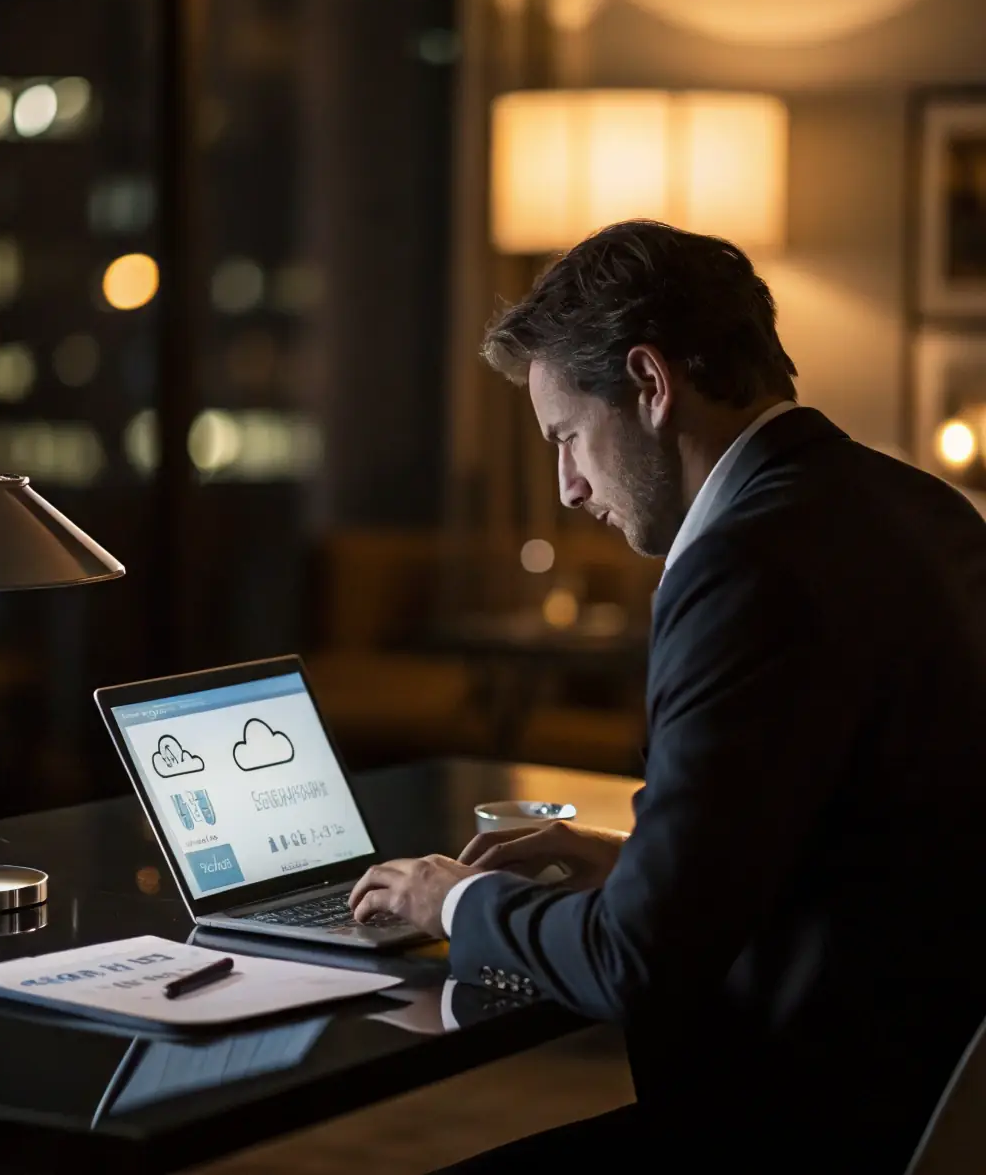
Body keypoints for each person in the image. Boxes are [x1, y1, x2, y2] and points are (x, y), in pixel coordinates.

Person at [350, 220, 986, 1173]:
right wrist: (636, 860)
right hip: (940, 1103)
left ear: (650, 384)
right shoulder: (922, 507)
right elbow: (865, 827)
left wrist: (456, 898)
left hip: (798, 1125)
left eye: (567, 435)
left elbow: (634, 964)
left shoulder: (742, 568)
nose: (567, 486)